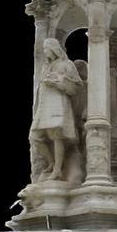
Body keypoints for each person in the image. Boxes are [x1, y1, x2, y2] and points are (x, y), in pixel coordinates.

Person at [29, 38, 83, 181]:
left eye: (46, 48)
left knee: (56, 137)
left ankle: (58, 169)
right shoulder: (46, 66)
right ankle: (52, 161)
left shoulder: (67, 64)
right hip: (43, 108)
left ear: (54, 49)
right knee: (34, 137)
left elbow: (78, 86)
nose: (45, 51)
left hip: (58, 105)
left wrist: (58, 83)